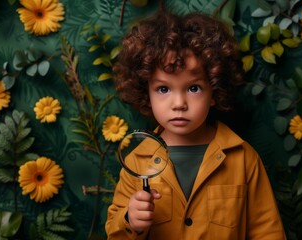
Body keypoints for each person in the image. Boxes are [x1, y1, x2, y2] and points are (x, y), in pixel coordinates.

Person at [105, 9, 286, 240]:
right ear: (146, 93)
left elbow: (267, 232)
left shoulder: (243, 159)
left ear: (214, 90)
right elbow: (116, 235)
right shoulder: (136, 163)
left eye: (193, 88)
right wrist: (131, 220)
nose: (179, 104)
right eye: (163, 89)